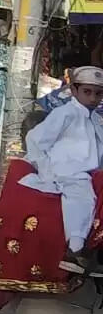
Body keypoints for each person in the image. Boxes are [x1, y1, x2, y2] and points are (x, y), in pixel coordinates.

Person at [24, 66, 103, 276]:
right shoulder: (64, 113)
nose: (93, 98)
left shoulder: (96, 119)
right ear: (74, 91)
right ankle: (75, 250)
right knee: (83, 196)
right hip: (67, 172)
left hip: (90, 173)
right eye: (87, 92)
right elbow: (34, 139)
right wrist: (47, 171)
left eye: (98, 93)